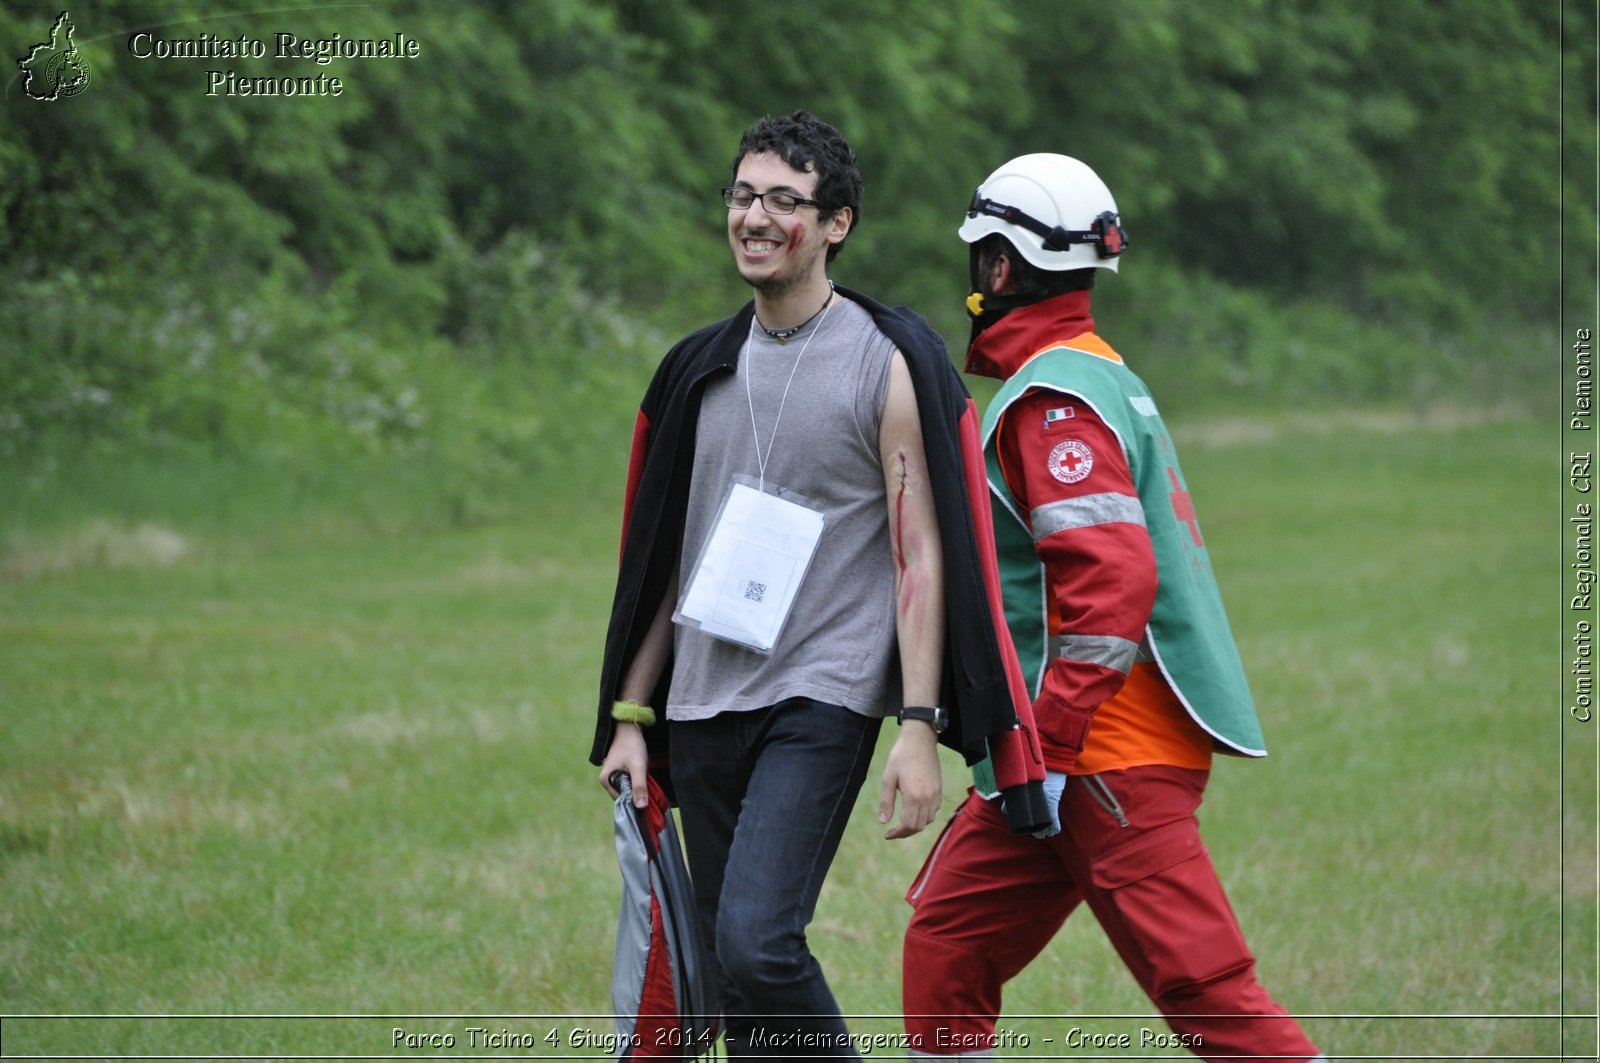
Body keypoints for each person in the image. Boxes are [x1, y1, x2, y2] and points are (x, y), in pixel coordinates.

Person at [591, 112, 1049, 1059]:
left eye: (783, 202)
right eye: (744, 196)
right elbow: (664, 561)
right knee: (732, 977)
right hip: (703, 693)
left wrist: (918, 727)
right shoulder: (699, 371)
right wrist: (632, 715)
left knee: (758, 939)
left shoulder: (883, 364)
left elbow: (922, 554)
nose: (755, 219)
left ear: (835, 223)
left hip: (822, 691)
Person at [900, 154, 1328, 1062]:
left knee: (1208, 993)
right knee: (946, 946)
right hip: (1048, 753)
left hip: (1100, 754)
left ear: (1000, 269)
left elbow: (1112, 581)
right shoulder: (1091, 370)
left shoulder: (1055, 399)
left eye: (982, 258)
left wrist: (1049, 747)